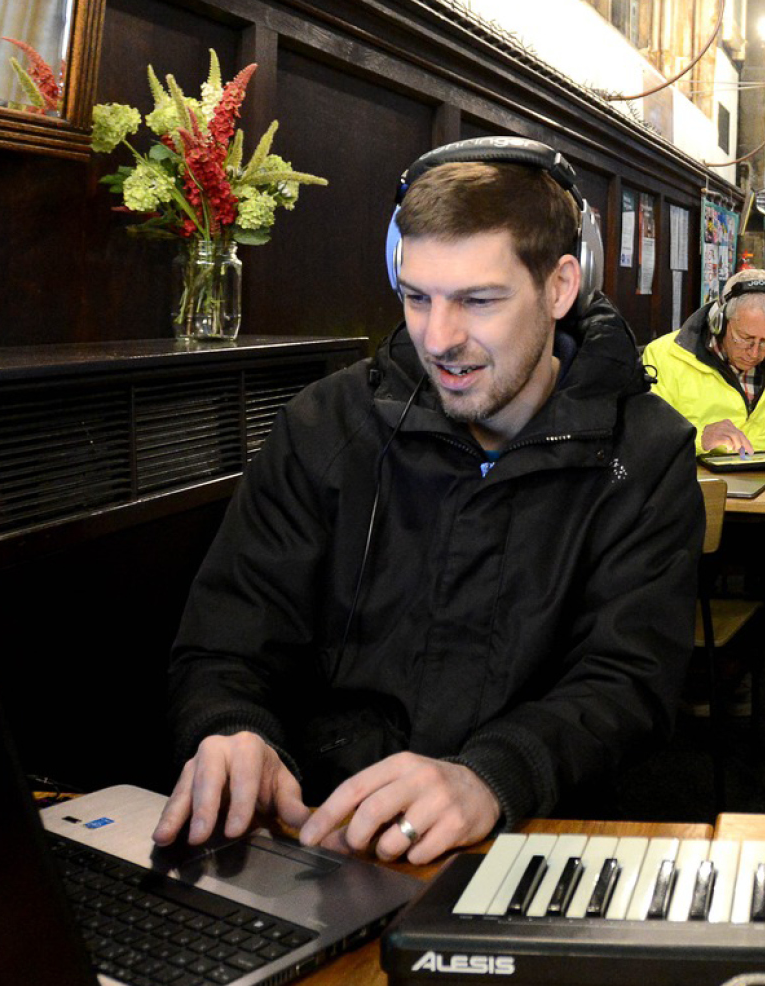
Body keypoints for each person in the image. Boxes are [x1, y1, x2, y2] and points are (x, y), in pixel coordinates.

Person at [154, 137, 701, 864]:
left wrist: (492, 775)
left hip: (524, 843)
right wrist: (230, 727)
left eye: (478, 301)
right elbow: (230, 634)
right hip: (318, 837)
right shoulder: (325, 424)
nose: (438, 338)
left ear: (561, 287)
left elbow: (625, 683)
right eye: (417, 297)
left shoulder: (646, 452)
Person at [643, 268, 765, 463]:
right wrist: (700, 438)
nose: (754, 353)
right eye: (745, 338)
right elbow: (646, 436)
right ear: (720, 321)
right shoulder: (664, 356)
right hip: (699, 488)